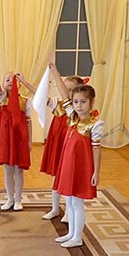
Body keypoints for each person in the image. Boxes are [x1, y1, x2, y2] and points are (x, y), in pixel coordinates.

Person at [49, 63, 103, 247]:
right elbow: (64, 94)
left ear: (91, 102)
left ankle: (77, 237)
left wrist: (95, 172)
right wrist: (55, 72)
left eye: (83, 102)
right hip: (68, 165)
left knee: (77, 203)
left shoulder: (95, 124)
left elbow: (96, 149)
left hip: (81, 168)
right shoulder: (72, 118)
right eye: (76, 102)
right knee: (70, 201)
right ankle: (71, 233)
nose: (79, 106)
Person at [21, 74, 85, 220]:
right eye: (65, 88)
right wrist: (24, 82)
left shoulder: (76, 110)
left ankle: (69, 211)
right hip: (57, 143)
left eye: (70, 89)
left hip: (69, 146)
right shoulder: (58, 104)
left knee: (68, 178)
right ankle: (55, 208)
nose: (66, 92)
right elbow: (40, 95)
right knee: (56, 176)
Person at [0, 57, 33, 211]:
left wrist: (29, 141)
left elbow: (28, 122)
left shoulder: (25, 101)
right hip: (6, 139)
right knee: (8, 170)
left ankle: (18, 199)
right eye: (7, 79)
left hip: (20, 139)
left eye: (14, 80)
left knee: (19, 170)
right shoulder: (2, 98)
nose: (10, 82)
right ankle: (10, 198)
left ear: (19, 83)